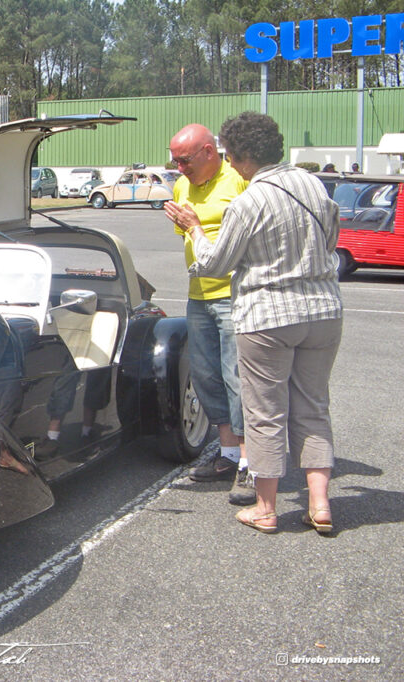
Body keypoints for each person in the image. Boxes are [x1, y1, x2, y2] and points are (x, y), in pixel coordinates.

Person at [168, 111, 342, 534]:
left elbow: (213, 263)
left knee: (263, 411)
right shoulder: (314, 185)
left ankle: (266, 507)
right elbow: (333, 238)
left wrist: (195, 229)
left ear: (241, 156)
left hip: (268, 315)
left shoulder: (249, 199)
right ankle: (320, 503)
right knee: (313, 407)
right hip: (323, 311)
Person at [163, 123, 252, 505]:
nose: (179, 169)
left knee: (238, 378)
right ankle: (228, 453)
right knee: (204, 374)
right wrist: (183, 226)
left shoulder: (239, 180)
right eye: (174, 161)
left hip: (233, 293)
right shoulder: (182, 185)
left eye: (184, 160)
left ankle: (251, 462)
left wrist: (198, 228)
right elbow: (187, 236)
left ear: (209, 152)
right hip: (198, 294)